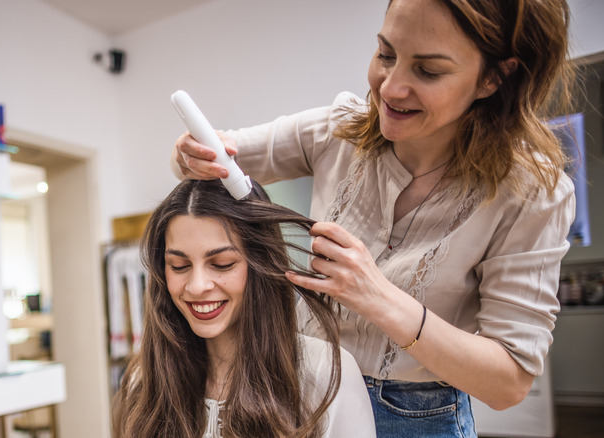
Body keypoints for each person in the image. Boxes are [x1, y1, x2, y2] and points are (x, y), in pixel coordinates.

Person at [171, 0, 576, 436]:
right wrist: (191, 155)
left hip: (414, 418)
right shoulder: (336, 131)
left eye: (429, 71)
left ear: (497, 76)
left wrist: (380, 298)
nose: (391, 87)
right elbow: (210, 156)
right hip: (304, 392)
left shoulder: (532, 193)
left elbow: (509, 382)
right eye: (385, 54)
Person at [111, 178, 376, 437]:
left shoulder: (324, 371)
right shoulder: (142, 379)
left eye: (223, 263)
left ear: (259, 264)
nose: (197, 286)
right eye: (179, 266)